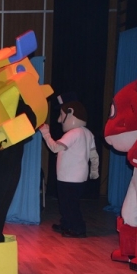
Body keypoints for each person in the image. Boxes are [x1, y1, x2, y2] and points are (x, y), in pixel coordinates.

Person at [40, 100, 99, 238]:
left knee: (69, 205)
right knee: (68, 203)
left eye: (61, 115)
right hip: (77, 177)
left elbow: (55, 148)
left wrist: (45, 133)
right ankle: (67, 224)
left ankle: (78, 229)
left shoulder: (73, 133)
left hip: (70, 177)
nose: (59, 120)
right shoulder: (87, 133)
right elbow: (94, 155)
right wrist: (94, 170)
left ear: (70, 113)